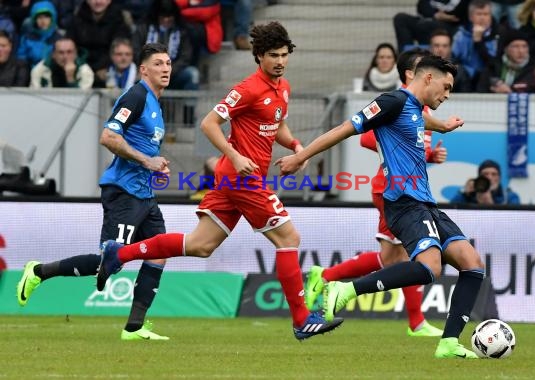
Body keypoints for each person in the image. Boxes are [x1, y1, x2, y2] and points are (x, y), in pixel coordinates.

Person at [96, 21, 344, 341]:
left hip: (235, 180)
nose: (280, 61)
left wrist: (296, 146)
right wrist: (235, 155)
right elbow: (209, 123)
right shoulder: (247, 89)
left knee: (200, 245)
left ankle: (120, 255)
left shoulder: (283, 88)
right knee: (289, 238)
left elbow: (276, 124)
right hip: (241, 177)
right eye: (273, 55)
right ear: (258, 56)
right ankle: (301, 320)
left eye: (284, 55)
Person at [276, 54, 486, 359]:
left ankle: (449, 343)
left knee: (472, 263)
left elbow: (422, 120)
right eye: (447, 86)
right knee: (430, 267)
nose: (447, 94)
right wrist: (300, 156)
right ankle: (345, 290)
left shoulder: (414, 108)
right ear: (428, 78)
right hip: (403, 202)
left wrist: (443, 127)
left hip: (424, 202)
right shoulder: (392, 102)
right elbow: (345, 128)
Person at [17, 42, 172, 341]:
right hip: (124, 192)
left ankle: (134, 327)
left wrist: (155, 163)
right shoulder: (136, 96)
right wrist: (146, 160)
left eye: (168, 63)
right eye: (158, 63)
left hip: (144, 194)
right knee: (110, 263)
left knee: (160, 252)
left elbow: (142, 145)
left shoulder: (155, 101)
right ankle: (37, 272)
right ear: (143, 69)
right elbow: (108, 136)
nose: (165, 68)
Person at [305, 48, 447, 339]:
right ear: (412, 74)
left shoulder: (424, 110)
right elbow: (368, 137)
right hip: (392, 189)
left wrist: (433, 145)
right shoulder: (398, 103)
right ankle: (416, 322)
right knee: (413, 256)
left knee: (394, 258)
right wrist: (427, 153)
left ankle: (327, 277)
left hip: (404, 190)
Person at [132, 0, 199, 90]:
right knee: (134, 78)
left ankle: (188, 105)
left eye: (169, 16)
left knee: (192, 74)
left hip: (173, 74)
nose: (166, 19)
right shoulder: (144, 28)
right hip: (148, 73)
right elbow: (136, 51)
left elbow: (185, 57)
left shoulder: (182, 31)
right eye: (163, 16)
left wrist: (167, 70)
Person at [66, 0, 131, 88]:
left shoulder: (119, 20)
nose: (98, 2)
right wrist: (80, 66)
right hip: (81, 67)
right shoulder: (77, 19)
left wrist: (107, 68)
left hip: (108, 69)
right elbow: (69, 45)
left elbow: (119, 48)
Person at [476, 29, 535, 93]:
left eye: (524, 46)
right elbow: (481, 90)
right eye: (515, 46)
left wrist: (510, 92)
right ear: (506, 49)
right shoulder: (493, 67)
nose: (521, 51)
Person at [451, 0, 499, 89]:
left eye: (486, 14)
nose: (482, 18)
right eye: (479, 14)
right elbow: (454, 58)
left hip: (488, 78)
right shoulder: (461, 34)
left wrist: (478, 41)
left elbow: (493, 64)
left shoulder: (498, 35)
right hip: (465, 76)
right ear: (471, 17)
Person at [29, 37, 94, 89]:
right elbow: (35, 98)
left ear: (75, 54)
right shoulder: (39, 70)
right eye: (61, 52)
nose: (65, 57)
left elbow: (81, 101)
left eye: (69, 52)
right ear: (53, 54)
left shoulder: (85, 71)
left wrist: (70, 78)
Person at [451, 159, 521, 204]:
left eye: (494, 174)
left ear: (499, 178)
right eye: (485, 174)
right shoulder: (466, 195)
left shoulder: (510, 197)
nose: (490, 178)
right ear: (479, 178)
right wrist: (465, 194)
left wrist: (490, 205)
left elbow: (511, 223)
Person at [16, 1, 62, 68]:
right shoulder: (27, 38)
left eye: (46, 17)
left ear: (52, 18)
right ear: (34, 20)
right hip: (30, 72)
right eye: (39, 17)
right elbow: (21, 59)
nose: (43, 21)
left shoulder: (59, 39)